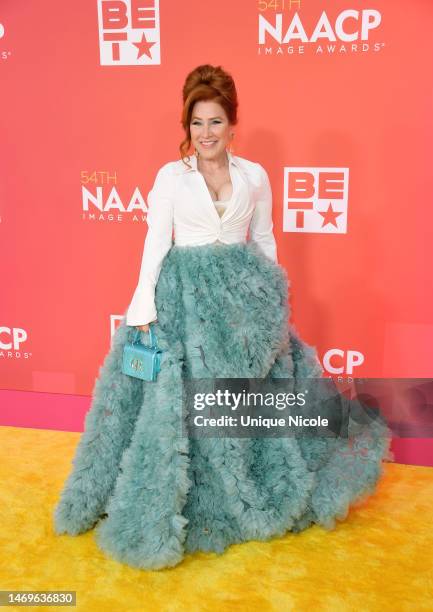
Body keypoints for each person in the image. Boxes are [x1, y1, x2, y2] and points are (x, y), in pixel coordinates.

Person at [53, 64, 393, 571]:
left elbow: (263, 241)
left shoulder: (254, 176)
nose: (205, 134)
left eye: (214, 122)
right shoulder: (172, 177)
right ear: (186, 127)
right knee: (187, 400)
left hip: (243, 306)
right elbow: (154, 243)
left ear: (233, 124)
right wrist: (143, 307)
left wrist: (275, 305)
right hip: (184, 300)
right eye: (196, 123)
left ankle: (253, 484)